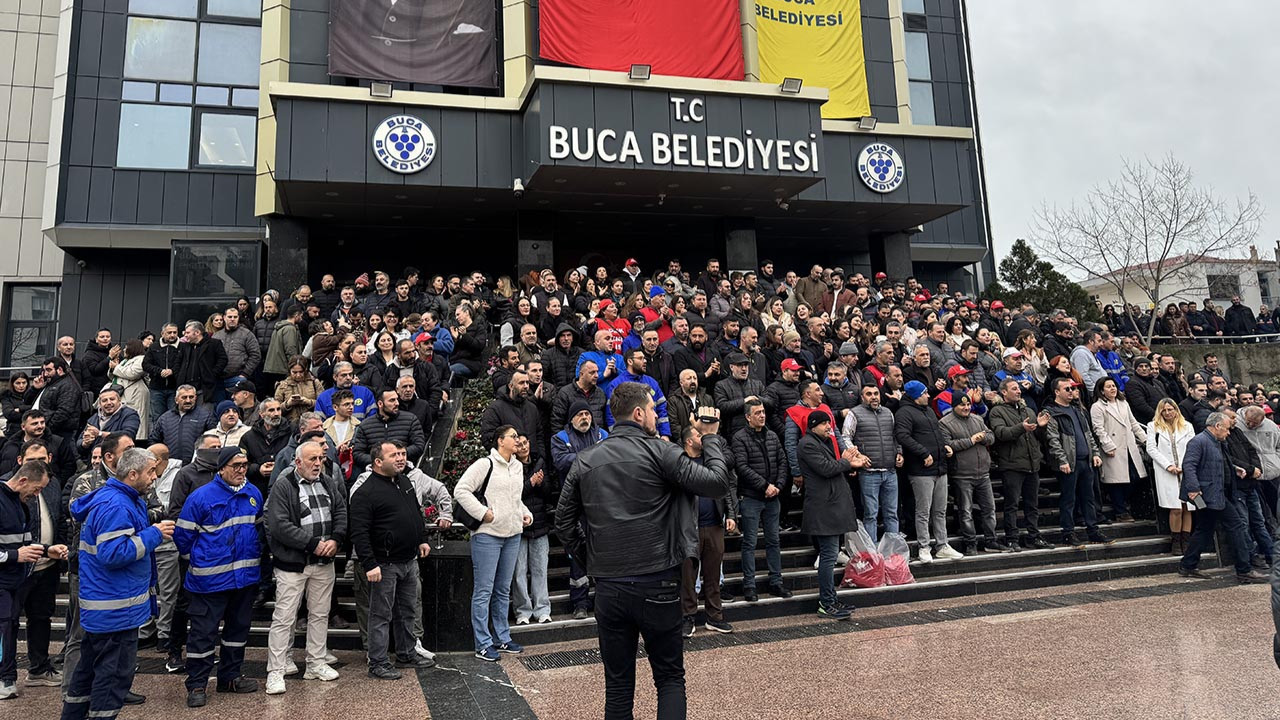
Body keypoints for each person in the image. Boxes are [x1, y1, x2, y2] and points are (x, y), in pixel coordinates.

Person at [555, 385, 731, 720]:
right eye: (652, 410)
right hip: (658, 580)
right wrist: (709, 436)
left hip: (610, 584)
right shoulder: (661, 452)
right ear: (638, 413)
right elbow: (717, 482)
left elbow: (563, 523)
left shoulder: (587, 459)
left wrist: (592, 560)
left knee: (618, 686)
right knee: (669, 678)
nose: (656, 416)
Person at [60, 449, 170, 719]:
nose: (155, 477)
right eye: (150, 472)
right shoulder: (117, 505)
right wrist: (154, 534)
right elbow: (113, 554)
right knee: (111, 680)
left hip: (107, 607)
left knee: (87, 675)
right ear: (132, 474)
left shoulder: (120, 498)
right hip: (116, 611)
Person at [173, 446, 263, 707]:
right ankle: (197, 684)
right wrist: (199, 560)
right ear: (221, 468)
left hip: (244, 580)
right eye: (236, 465)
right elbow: (183, 537)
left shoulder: (253, 493)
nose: (242, 470)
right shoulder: (200, 497)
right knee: (203, 635)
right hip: (209, 582)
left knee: (237, 631)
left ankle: (230, 678)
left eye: (245, 465)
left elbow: (258, 532)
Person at [264, 441, 347, 694]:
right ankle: (276, 671)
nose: (318, 463)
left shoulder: (328, 482)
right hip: (293, 564)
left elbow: (341, 511)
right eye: (312, 459)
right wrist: (312, 544)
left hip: (324, 562)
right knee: (285, 617)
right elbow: (279, 525)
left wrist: (336, 539)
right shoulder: (284, 484)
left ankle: (316, 663)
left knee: (320, 614)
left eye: (320, 458)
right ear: (298, 462)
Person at [349, 441, 434, 679]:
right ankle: (378, 662)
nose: (400, 458)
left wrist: (422, 539)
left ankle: (406, 653)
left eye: (401, 454)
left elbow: (415, 513)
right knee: (380, 615)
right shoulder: (366, 492)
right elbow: (359, 532)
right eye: (394, 455)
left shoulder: (404, 482)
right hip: (383, 564)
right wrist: (369, 564)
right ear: (378, 462)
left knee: (407, 610)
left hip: (409, 560)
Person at [453, 426, 532, 660]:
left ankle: (502, 637)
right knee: (484, 591)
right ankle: (483, 643)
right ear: (500, 441)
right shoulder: (484, 464)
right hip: (487, 535)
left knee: (502, 590)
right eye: (513, 437)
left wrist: (525, 513)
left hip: (512, 534)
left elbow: (514, 499)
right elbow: (461, 490)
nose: (517, 440)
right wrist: (483, 513)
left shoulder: (517, 466)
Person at [1, 459, 65, 700]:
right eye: (37, 489)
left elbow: (24, 541)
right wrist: (15, 556)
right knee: (4, 628)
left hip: (15, 579)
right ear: (24, 480)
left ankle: (7, 678)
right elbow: (16, 549)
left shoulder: (20, 503)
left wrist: (47, 550)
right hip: (4, 580)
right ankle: (4, 679)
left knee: (9, 626)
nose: (37, 494)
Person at [1178, 412, 1267, 584]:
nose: (1228, 432)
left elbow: (1220, 462)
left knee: (1204, 528)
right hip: (1210, 494)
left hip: (1216, 493)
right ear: (1217, 426)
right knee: (1236, 526)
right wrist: (1194, 488)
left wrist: (1235, 469)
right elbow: (1189, 465)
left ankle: (1188, 564)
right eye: (1226, 429)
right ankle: (1244, 570)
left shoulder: (1217, 441)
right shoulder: (1199, 441)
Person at [799, 412, 864, 619]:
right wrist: (846, 462)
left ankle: (831, 599)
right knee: (828, 556)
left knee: (831, 555)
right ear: (813, 426)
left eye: (829, 422)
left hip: (832, 507)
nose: (829, 426)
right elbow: (826, 468)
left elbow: (834, 467)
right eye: (824, 423)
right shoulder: (807, 444)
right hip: (823, 509)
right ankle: (826, 603)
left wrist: (847, 465)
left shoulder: (823, 442)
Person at [549, 400, 608, 620]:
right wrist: (593, 455)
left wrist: (581, 455)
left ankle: (602, 599)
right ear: (571, 418)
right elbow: (562, 462)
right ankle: (580, 603)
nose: (585, 417)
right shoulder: (559, 438)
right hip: (574, 506)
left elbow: (609, 457)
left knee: (602, 553)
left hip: (600, 505)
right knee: (577, 556)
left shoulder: (602, 434)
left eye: (587, 414)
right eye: (580, 414)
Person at [730, 398, 791, 602]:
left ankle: (776, 582)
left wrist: (778, 485)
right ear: (748, 417)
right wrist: (765, 486)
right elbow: (742, 467)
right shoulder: (739, 438)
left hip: (773, 497)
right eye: (758, 413)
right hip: (751, 497)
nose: (763, 415)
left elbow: (782, 461)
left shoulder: (772, 435)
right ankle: (749, 585)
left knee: (774, 541)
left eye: (763, 412)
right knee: (750, 542)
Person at [680, 424, 737, 637]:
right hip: (689, 528)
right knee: (688, 576)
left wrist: (731, 514)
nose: (702, 437)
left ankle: (715, 617)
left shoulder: (711, 461)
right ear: (688, 441)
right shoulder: (680, 463)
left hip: (714, 525)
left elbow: (725, 488)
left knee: (713, 575)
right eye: (698, 435)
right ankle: (688, 617)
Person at [895, 381, 961, 563]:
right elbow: (902, 436)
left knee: (940, 510)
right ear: (916, 396)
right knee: (923, 511)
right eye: (924, 393)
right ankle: (924, 546)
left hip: (940, 466)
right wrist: (923, 453)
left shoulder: (929, 411)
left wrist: (944, 446)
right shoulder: (904, 413)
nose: (928, 395)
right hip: (921, 470)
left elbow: (936, 433)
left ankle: (942, 545)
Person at [1043, 377, 1111, 548]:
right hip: (1069, 463)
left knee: (1089, 498)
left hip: (1085, 461)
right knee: (1068, 499)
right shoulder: (1052, 412)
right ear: (1056, 392)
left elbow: (1088, 434)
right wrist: (1062, 460)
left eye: (1072, 388)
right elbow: (1053, 440)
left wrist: (1095, 453)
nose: (1071, 391)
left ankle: (1093, 530)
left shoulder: (1078, 410)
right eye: (1067, 389)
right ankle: (1068, 532)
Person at [939, 395, 1010, 553]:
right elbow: (947, 445)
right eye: (962, 405)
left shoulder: (977, 419)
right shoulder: (945, 423)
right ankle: (970, 543)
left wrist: (983, 439)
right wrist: (971, 441)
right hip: (962, 474)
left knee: (989, 509)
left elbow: (991, 436)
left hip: (983, 472)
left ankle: (991, 540)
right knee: (965, 511)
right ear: (954, 406)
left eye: (968, 405)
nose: (966, 408)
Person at [988, 379, 1052, 550]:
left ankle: (1034, 536)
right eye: (1014, 388)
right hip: (1011, 465)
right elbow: (1001, 434)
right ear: (1004, 392)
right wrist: (1022, 427)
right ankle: (1012, 538)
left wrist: (1041, 427)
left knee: (1032, 504)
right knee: (1012, 504)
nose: (1019, 391)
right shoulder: (997, 411)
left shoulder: (1028, 410)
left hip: (1032, 464)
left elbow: (1038, 437)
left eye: (1019, 388)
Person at [840, 384, 902, 544]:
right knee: (870, 514)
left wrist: (899, 452)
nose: (873, 397)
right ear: (862, 397)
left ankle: (893, 550)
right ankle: (871, 550)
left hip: (890, 471)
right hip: (869, 473)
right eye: (869, 394)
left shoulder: (888, 413)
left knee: (892, 513)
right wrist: (858, 456)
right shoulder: (854, 413)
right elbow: (845, 437)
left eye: (876, 393)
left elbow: (894, 437)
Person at [1090, 377, 1148, 523]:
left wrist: (1146, 440)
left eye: (1114, 386)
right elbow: (1098, 429)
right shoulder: (1097, 407)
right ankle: (1120, 511)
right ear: (1101, 390)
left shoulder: (1123, 403)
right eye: (1108, 386)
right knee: (1116, 481)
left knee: (1135, 477)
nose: (1112, 389)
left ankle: (1123, 503)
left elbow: (1133, 423)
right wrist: (1107, 445)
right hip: (1113, 447)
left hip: (1129, 445)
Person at [511, 433, 554, 626]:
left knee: (540, 569)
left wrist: (541, 483)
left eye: (525, 443)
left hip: (540, 523)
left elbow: (548, 493)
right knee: (519, 572)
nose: (523, 447)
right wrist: (531, 483)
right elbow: (513, 494)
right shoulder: (511, 466)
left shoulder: (540, 462)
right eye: (519, 444)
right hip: (519, 525)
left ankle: (542, 609)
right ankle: (522, 611)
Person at [1147, 398, 1196, 553]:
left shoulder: (1187, 426)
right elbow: (1151, 448)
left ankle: (1186, 540)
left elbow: (1193, 447)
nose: (1168, 413)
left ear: (1176, 410)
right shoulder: (1153, 426)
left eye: (1170, 409)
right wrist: (1168, 465)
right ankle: (1175, 540)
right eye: (1164, 410)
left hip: (1185, 470)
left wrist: (1184, 465)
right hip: (1166, 471)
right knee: (1176, 508)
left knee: (1187, 507)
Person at [353, 389, 427, 469]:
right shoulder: (365, 425)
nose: (397, 403)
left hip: (405, 469)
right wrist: (380, 460)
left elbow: (419, 446)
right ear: (380, 404)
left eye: (397, 399)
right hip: (375, 471)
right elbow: (357, 453)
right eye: (392, 400)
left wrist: (397, 456)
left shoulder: (411, 419)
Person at [150, 385, 215, 465]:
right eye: (184, 397)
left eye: (191, 397)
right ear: (176, 400)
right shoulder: (165, 418)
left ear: (196, 398)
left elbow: (213, 441)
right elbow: (154, 440)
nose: (188, 400)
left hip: (196, 466)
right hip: (170, 466)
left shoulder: (205, 416)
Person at [34, 357, 81, 438]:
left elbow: (63, 412)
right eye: (44, 370)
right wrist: (34, 388)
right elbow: (28, 401)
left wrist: (47, 430)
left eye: (48, 370)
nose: (45, 374)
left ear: (59, 370)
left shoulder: (68, 386)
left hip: (60, 433)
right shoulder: (49, 383)